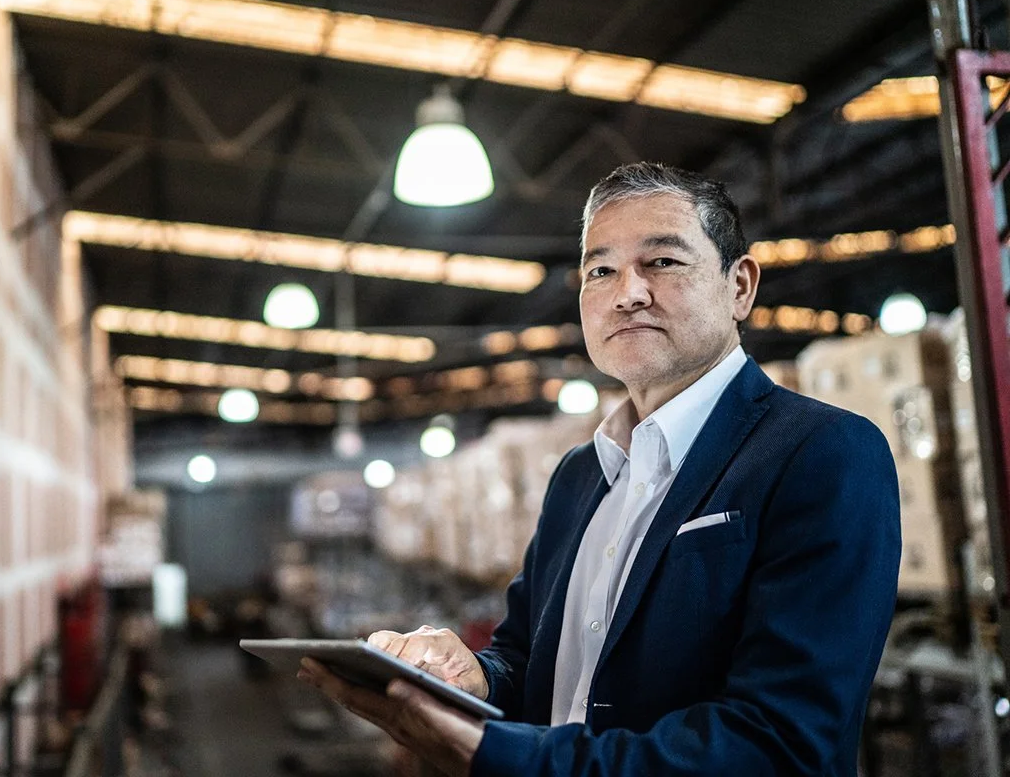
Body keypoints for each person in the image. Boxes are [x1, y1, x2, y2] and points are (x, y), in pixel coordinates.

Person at [297, 162, 901, 776]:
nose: (627, 293)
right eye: (600, 270)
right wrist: (472, 676)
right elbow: (530, 658)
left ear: (739, 286)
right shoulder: (581, 475)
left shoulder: (822, 453)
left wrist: (496, 755)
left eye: (662, 262)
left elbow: (780, 744)